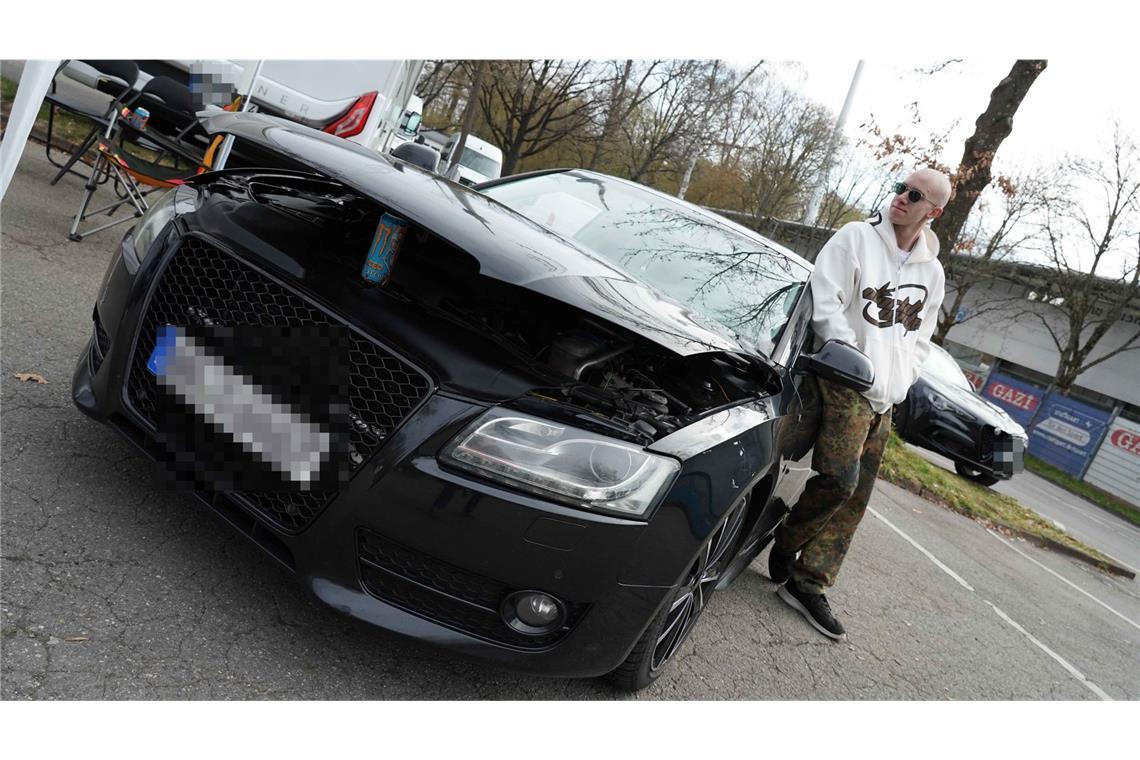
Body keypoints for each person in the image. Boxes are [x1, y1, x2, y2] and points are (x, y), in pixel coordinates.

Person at [769, 167, 952, 640]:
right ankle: (786, 542)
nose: (901, 199)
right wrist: (849, 358)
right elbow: (825, 300)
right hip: (844, 378)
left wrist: (902, 381)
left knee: (857, 496)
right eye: (900, 188)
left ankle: (809, 583)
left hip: (885, 397)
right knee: (840, 480)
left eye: (914, 196)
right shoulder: (856, 237)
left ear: (933, 211)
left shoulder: (931, 272)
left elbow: (921, 338)